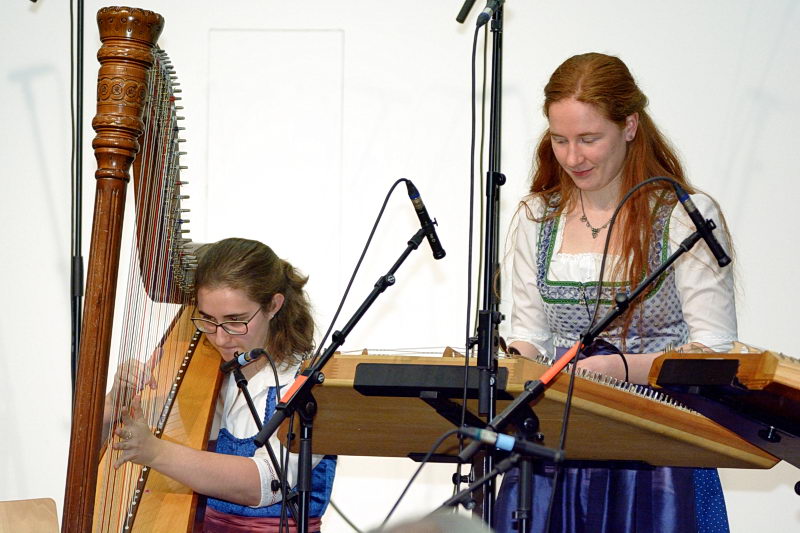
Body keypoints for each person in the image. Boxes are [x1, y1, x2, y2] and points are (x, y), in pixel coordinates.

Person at [495, 53, 736, 533]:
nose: (572, 157)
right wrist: (510, 365)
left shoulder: (683, 216)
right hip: (556, 443)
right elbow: (529, 335)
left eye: (589, 139)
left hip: (656, 443)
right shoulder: (537, 216)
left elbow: (713, 352)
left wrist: (617, 369)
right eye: (560, 140)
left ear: (629, 126)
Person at [106, 237, 336, 532]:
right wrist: (115, 402)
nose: (220, 338)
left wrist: (157, 452)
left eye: (235, 320)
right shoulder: (205, 372)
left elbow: (267, 483)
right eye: (208, 319)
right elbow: (99, 449)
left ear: (273, 305)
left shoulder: (307, 383)